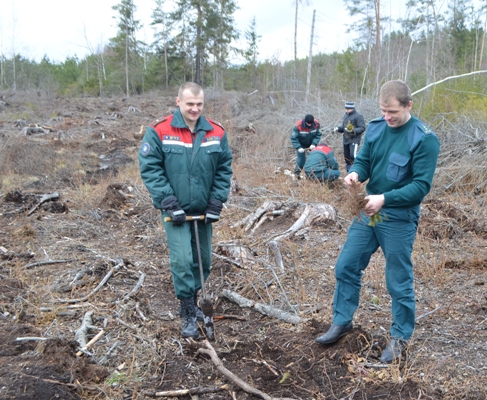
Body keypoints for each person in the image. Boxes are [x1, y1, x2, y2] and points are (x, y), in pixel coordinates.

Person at [315, 80, 440, 364]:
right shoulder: (375, 128)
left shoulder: (423, 139)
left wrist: (384, 198)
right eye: (383, 111)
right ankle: (342, 320)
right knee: (346, 265)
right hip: (368, 211)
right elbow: (365, 161)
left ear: (409, 105)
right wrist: (355, 174)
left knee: (398, 279)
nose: (387, 117)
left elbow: (421, 186)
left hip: (398, 216)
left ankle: (400, 338)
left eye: (393, 111)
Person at [138, 82, 232, 339]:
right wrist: (167, 201)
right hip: (175, 209)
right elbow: (150, 168)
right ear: (178, 101)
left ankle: (196, 298)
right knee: (182, 260)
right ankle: (187, 310)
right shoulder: (160, 131)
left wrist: (216, 201)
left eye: (199, 104)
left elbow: (224, 169)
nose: (195, 109)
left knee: (204, 260)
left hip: (203, 210)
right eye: (190, 104)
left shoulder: (216, 132)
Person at [334, 102, 366, 172]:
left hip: (354, 139)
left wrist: (352, 130)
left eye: (348, 109)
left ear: (352, 108)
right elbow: (343, 127)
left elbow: (362, 128)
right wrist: (338, 129)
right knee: (347, 157)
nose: (346, 110)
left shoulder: (358, 116)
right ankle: (349, 171)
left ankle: (357, 170)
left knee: (353, 156)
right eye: (346, 109)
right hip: (346, 139)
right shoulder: (346, 116)